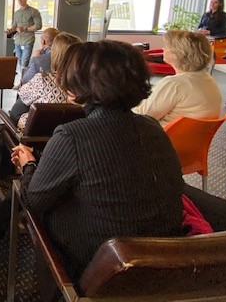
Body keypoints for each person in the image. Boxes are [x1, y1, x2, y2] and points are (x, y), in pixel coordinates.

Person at [11, 40, 184, 282]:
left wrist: (28, 164)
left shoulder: (72, 135)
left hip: (101, 267)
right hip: (164, 262)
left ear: (82, 84)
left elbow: (32, 201)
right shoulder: (153, 127)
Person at [133, 30, 221, 126]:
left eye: (166, 46)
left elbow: (141, 117)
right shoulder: (207, 78)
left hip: (161, 133)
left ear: (177, 53)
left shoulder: (174, 84)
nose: (163, 48)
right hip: (190, 134)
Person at [13, 32, 82, 130]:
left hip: (38, 132)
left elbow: (23, 93)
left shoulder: (43, 79)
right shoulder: (87, 85)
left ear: (54, 54)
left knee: (19, 106)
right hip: (72, 130)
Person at [5, 0, 42, 70]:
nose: (20, 0)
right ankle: (23, 76)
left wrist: (25, 28)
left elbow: (38, 26)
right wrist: (10, 30)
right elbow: (14, 26)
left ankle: (24, 77)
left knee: (24, 62)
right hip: (18, 41)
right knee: (20, 62)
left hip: (28, 40)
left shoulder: (34, 11)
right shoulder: (16, 13)